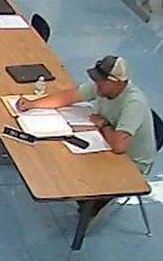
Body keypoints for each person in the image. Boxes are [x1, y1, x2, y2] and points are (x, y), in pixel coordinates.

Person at [18, 56, 156, 176]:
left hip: (131, 163)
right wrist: (32, 104)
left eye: (101, 81)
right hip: (105, 141)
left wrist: (103, 124)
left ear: (117, 82)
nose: (97, 84)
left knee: (76, 173)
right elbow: (68, 97)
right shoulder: (101, 86)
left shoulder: (134, 104)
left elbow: (119, 146)